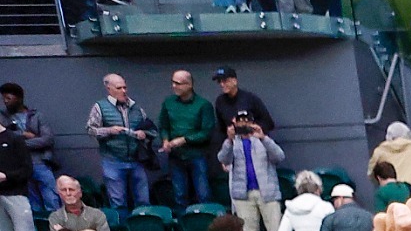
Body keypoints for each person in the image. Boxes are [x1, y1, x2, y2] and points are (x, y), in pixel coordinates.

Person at [84, 73, 155, 213]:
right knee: (118, 203)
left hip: (136, 160)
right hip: (113, 160)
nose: (123, 91)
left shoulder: (136, 107)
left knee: (143, 200)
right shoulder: (100, 107)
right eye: (119, 88)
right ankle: (121, 226)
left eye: (125, 87)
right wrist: (109, 130)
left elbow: (151, 129)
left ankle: (144, 224)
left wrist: (144, 134)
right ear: (109, 89)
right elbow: (91, 130)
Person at [216, 111, 285, 231]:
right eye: (240, 121)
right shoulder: (232, 142)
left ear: (252, 123)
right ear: (235, 124)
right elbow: (223, 159)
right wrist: (229, 140)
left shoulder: (262, 140)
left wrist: (263, 138)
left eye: (246, 121)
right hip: (243, 195)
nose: (243, 124)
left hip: (267, 192)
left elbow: (279, 156)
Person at [157, 69, 217, 207]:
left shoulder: (203, 105)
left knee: (203, 193)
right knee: (179, 195)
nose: (174, 86)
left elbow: (206, 132)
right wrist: (165, 140)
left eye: (178, 83)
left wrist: (184, 139)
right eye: (173, 82)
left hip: (197, 155)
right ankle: (183, 219)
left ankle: (205, 218)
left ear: (189, 85)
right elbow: (163, 126)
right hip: (175, 157)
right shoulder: (168, 103)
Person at [0, 82, 59, 212]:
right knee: (32, 202)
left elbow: (47, 139)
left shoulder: (36, 116)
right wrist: (26, 136)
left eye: (9, 98)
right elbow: (5, 139)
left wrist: (19, 143)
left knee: (51, 197)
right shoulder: (3, 118)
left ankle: (55, 223)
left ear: (19, 98)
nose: (5, 101)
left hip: (39, 162)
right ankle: (37, 223)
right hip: (19, 166)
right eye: (4, 98)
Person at [210, 68, 275, 136]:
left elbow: (269, 123)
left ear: (234, 81)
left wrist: (252, 128)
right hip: (233, 139)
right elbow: (222, 128)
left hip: (254, 137)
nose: (222, 84)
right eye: (219, 81)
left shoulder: (250, 98)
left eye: (225, 81)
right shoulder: (220, 102)